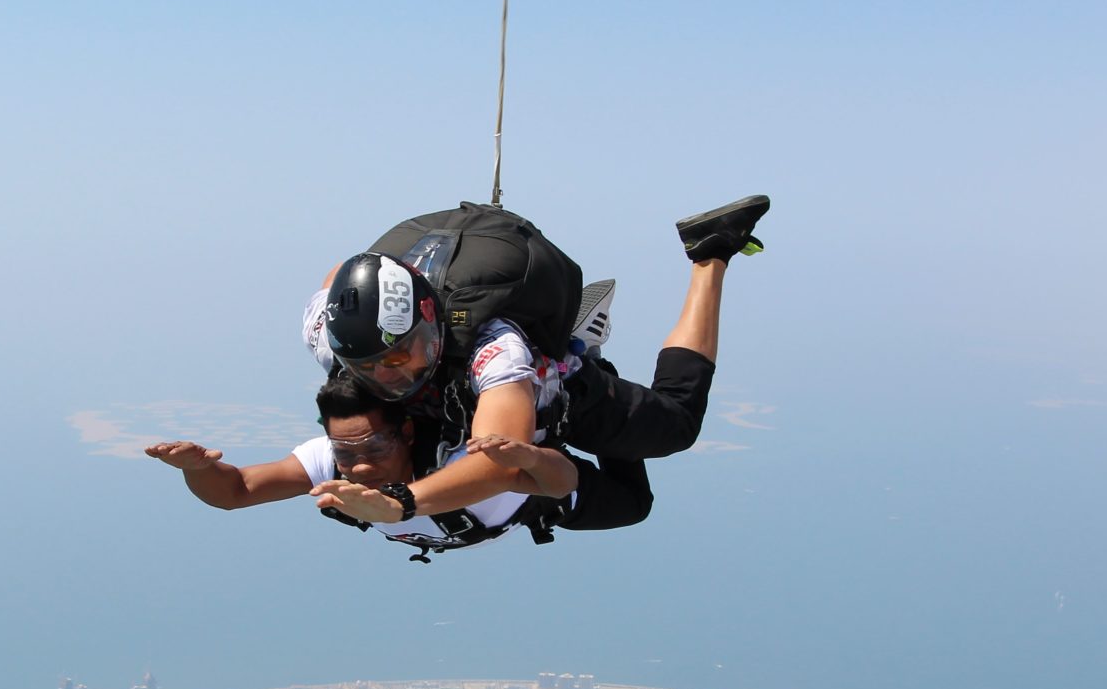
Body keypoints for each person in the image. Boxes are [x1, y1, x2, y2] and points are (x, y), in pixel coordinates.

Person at [305, 194, 769, 529]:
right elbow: (339, 278)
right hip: (466, 404)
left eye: (400, 356)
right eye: (366, 366)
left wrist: (401, 505)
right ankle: (574, 348)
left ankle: (708, 255)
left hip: (562, 395)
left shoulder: (494, 345)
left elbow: (498, 457)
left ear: (430, 321)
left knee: (676, 427)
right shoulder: (331, 336)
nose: (386, 375)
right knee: (626, 503)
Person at [144, 372, 650, 559]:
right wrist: (196, 469)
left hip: (540, 497)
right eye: (345, 451)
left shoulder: (461, 458)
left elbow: (560, 481)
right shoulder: (334, 458)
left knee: (637, 499)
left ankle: (704, 263)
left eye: (372, 449)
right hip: (525, 489)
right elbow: (235, 492)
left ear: (406, 431)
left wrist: (534, 457)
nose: (359, 466)